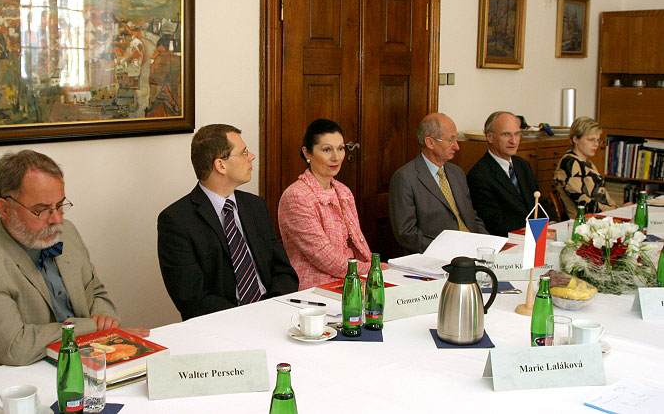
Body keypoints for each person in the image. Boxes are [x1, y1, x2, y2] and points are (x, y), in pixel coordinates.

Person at [0, 150, 120, 373]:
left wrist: (104, 317)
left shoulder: (66, 233)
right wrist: (91, 326)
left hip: (77, 362)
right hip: (6, 382)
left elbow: (96, 292)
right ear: (4, 208)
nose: (57, 219)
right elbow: (16, 348)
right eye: (41, 210)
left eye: (60, 205)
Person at [157, 124, 298, 320]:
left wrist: (272, 308)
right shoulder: (176, 220)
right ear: (220, 165)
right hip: (223, 324)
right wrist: (249, 316)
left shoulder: (255, 206)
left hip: (274, 313)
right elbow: (191, 299)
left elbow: (283, 270)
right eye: (244, 152)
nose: (252, 157)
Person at [278, 119, 372, 290]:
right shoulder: (296, 196)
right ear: (307, 153)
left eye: (341, 148)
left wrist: (376, 267)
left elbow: (359, 243)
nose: (336, 157)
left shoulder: (343, 191)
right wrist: (372, 269)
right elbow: (324, 257)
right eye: (327, 150)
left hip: (353, 278)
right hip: (315, 287)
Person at [389, 113, 487, 254]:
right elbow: (406, 233)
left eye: (456, 139)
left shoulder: (457, 173)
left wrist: (488, 244)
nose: (457, 147)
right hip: (436, 257)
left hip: (472, 250)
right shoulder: (405, 178)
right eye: (450, 140)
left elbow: (471, 216)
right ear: (430, 142)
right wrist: (447, 250)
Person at [467, 111, 557, 237]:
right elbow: (494, 222)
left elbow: (539, 202)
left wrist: (553, 224)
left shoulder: (522, 165)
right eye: (506, 135)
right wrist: (536, 229)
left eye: (517, 134)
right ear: (489, 137)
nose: (513, 141)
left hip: (538, 236)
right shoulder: (480, 175)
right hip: (509, 241)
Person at [554, 116, 618, 218]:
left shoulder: (588, 163)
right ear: (576, 139)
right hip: (582, 222)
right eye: (591, 140)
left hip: (599, 217)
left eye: (598, 140)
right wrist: (614, 211)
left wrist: (618, 209)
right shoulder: (569, 163)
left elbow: (603, 196)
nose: (596, 144)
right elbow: (583, 203)